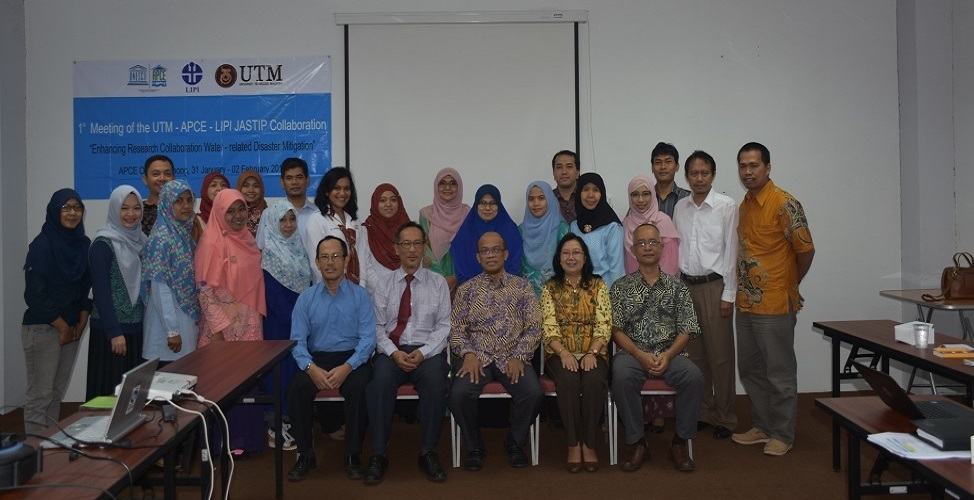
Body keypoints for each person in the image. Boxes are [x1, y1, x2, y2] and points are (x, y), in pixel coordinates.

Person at [732, 142, 815, 457]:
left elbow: (806, 251)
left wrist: (789, 283)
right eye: (743, 166)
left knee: (779, 372)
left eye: (754, 165)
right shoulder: (745, 204)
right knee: (751, 369)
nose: (748, 171)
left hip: (776, 304)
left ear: (767, 168)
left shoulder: (784, 203)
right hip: (746, 303)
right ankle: (763, 425)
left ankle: (782, 433)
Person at [610, 223, 703, 473]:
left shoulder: (677, 287)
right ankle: (638, 442)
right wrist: (639, 355)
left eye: (652, 242)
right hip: (632, 354)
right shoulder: (620, 287)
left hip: (671, 354)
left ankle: (679, 442)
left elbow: (686, 330)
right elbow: (616, 330)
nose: (647, 247)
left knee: (693, 376)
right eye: (641, 243)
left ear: (662, 247)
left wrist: (668, 355)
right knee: (620, 375)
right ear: (633, 250)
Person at [364, 222, 451, 484]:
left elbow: (444, 326)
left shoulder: (438, 283)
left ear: (424, 247)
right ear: (396, 249)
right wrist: (393, 353)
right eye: (406, 244)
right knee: (379, 382)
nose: (412, 250)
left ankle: (428, 452)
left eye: (417, 243)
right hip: (393, 350)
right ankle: (379, 453)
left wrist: (423, 352)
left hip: (428, 351)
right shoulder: (384, 283)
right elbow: (377, 327)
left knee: (436, 382)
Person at [449, 232, 543, 471]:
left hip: (512, 356)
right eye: (485, 251)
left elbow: (534, 327)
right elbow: (456, 329)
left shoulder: (522, 287)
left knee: (532, 393)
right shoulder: (466, 290)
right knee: (459, 394)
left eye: (496, 250)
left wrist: (520, 356)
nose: (490, 255)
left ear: (505, 254)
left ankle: (515, 442)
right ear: (478, 257)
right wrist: (468, 354)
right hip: (477, 358)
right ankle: (474, 445)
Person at [287, 236, 376, 482]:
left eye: (336, 256)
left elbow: (368, 340)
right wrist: (310, 368)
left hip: (352, 358)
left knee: (360, 386)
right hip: (317, 359)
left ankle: (353, 454)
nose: (330, 262)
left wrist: (348, 367)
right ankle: (305, 454)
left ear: (346, 260)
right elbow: (297, 341)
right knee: (296, 389)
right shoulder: (306, 298)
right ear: (316, 262)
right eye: (324, 257)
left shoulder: (360, 296)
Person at [673, 150, 739, 440]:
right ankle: (703, 411)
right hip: (686, 286)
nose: (699, 178)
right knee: (695, 355)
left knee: (720, 357)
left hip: (715, 287)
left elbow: (732, 251)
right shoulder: (680, 207)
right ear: (686, 176)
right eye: (694, 173)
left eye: (705, 173)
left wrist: (729, 294)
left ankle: (725, 417)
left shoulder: (726, 206)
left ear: (713, 175)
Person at [195, 189, 268, 455]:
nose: (237, 216)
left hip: (249, 324)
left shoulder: (248, 239)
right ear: (219, 213)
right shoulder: (210, 242)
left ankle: (248, 441)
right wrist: (218, 329)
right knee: (223, 384)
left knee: (247, 382)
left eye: (241, 210)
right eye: (230, 211)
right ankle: (223, 443)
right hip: (223, 327)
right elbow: (204, 289)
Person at [21, 189, 91, 434]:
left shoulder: (83, 244)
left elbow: (86, 288)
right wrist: (61, 326)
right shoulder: (42, 245)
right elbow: (34, 295)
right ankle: (34, 451)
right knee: (40, 396)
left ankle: (49, 447)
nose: (72, 213)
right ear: (54, 211)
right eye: (66, 207)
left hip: (72, 328)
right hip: (44, 328)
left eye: (77, 207)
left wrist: (81, 323)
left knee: (56, 393)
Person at [540, 233, 610, 473]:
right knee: (568, 379)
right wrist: (564, 353)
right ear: (559, 259)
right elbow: (548, 327)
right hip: (559, 353)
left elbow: (604, 324)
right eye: (566, 253)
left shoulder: (598, 285)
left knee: (593, 380)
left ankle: (589, 443)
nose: (571, 258)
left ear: (585, 257)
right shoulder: (550, 288)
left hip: (594, 351)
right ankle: (572, 443)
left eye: (576, 253)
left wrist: (592, 352)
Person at [260, 200, 313, 450]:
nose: (289, 225)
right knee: (279, 374)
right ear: (272, 222)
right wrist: (299, 322)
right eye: (282, 220)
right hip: (280, 327)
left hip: (299, 325)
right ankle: (275, 425)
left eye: (292, 219)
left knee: (295, 373)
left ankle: (292, 421)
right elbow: (274, 297)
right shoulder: (269, 254)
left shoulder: (299, 248)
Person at [86, 185, 147, 399]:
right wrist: (114, 332)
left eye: (136, 208)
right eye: (124, 208)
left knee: (133, 398)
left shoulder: (141, 241)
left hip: (136, 329)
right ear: (114, 209)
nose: (131, 214)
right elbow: (101, 293)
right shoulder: (102, 245)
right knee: (109, 396)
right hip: (112, 333)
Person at [142, 179, 200, 364]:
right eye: (178, 201)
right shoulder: (161, 238)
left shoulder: (182, 233)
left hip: (185, 324)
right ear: (167, 203)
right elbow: (160, 288)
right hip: (167, 332)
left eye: (189, 200)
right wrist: (172, 330)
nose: (186, 206)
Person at [302, 167, 367, 286]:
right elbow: (316, 263)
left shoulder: (355, 220)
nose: (342, 193)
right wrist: (338, 288)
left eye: (347, 189)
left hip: (356, 288)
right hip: (329, 288)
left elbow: (362, 257)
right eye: (337, 188)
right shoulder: (317, 220)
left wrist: (361, 286)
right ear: (327, 191)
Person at [450, 184, 523, 285]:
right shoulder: (466, 232)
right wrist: (477, 288)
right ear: (476, 205)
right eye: (483, 203)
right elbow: (460, 267)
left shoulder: (510, 231)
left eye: (493, 203)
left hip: (507, 288)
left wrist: (501, 285)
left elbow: (515, 263)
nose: (487, 208)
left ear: (499, 206)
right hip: (471, 289)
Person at [418, 167, 470, 296]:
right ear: (436, 186)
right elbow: (425, 248)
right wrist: (440, 278)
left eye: (453, 183)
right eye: (442, 183)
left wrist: (457, 276)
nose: (447, 188)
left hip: (463, 282)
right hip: (433, 282)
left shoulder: (468, 214)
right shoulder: (426, 215)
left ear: (459, 187)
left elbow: (471, 249)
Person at [569, 173, 624, 287]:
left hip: (604, 291)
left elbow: (617, 269)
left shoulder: (612, 227)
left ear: (602, 194)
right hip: (578, 291)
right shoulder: (574, 227)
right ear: (579, 193)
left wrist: (614, 295)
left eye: (596, 190)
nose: (590, 195)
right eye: (585, 189)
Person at [255, 157, 319, 250]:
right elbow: (260, 249)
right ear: (282, 182)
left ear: (307, 180)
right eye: (289, 178)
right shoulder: (269, 214)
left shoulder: (318, 214)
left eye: (299, 177)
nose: (294, 182)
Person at [622, 175, 680, 276]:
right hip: (632, 283)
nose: (641, 200)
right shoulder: (625, 224)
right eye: (635, 194)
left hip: (662, 283)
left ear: (653, 195)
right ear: (629, 197)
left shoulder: (663, 222)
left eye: (646, 194)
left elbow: (671, 265)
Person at [519, 180, 568, 296]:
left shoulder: (561, 229)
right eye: (531, 199)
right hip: (526, 296)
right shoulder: (520, 231)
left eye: (541, 198)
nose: (536, 203)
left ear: (550, 200)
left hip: (557, 294)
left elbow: (568, 264)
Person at [361, 183, 410, 296]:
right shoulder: (366, 230)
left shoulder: (409, 230)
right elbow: (366, 267)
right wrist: (384, 289)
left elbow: (415, 261)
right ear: (375, 203)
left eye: (393, 200)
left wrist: (404, 287)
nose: (388, 204)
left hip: (407, 291)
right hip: (377, 294)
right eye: (382, 200)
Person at [651, 142, 690, 218]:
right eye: (658, 162)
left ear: (677, 166)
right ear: (652, 168)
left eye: (668, 161)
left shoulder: (688, 198)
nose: (663, 167)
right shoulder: (643, 198)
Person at [141, 155, 175, 236]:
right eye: (156, 174)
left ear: (174, 179)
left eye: (167, 174)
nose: (162, 178)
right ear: (145, 179)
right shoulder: (138, 212)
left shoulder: (182, 209)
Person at [194, 172, 228, 241]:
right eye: (213, 185)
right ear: (205, 191)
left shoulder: (235, 218)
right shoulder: (196, 222)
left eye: (223, 185)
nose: (219, 188)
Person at [236, 169, 268, 237]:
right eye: (246, 185)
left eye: (256, 186)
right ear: (239, 187)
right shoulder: (232, 213)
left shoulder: (268, 214)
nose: (251, 190)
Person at [551, 150, 580, 223]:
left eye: (569, 167)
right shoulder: (547, 199)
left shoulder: (586, 197)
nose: (564, 172)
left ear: (577, 172)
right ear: (553, 173)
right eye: (559, 167)